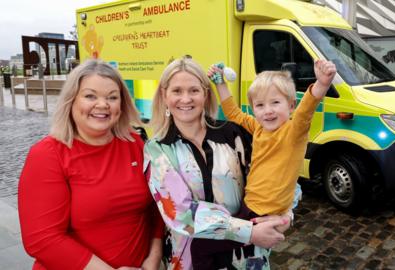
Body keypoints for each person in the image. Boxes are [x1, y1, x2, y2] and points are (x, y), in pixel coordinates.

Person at [18, 59, 164, 270]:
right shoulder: (48, 154)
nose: (103, 104)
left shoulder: (134, 144)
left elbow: (156, 207)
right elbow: (42, 239)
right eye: (90, 96)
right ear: (72, 101)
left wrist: (154, 258)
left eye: (112, 97)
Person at [145, 57, 289, 270]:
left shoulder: (233, 133)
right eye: (177, 91)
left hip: (245, 258)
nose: (186, 99)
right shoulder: (157, 149)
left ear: (205, 94)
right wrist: (248, 231)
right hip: (192, 259)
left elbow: (278, 172)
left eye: (194, 90)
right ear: (164, 96)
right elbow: (180, 212)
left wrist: (286, 214)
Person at [191, 59, 336, 269]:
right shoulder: (259, 128)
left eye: (275, 103)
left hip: (259, 214)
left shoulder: (293, 132)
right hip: (250, 205)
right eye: (260, 105)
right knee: (228, 254)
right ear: (254, 109)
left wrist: (322, 83)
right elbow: (233, 113)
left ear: (291, 105)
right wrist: (220, 83)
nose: (267, 111)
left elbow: (307, 110)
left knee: (200, 246)